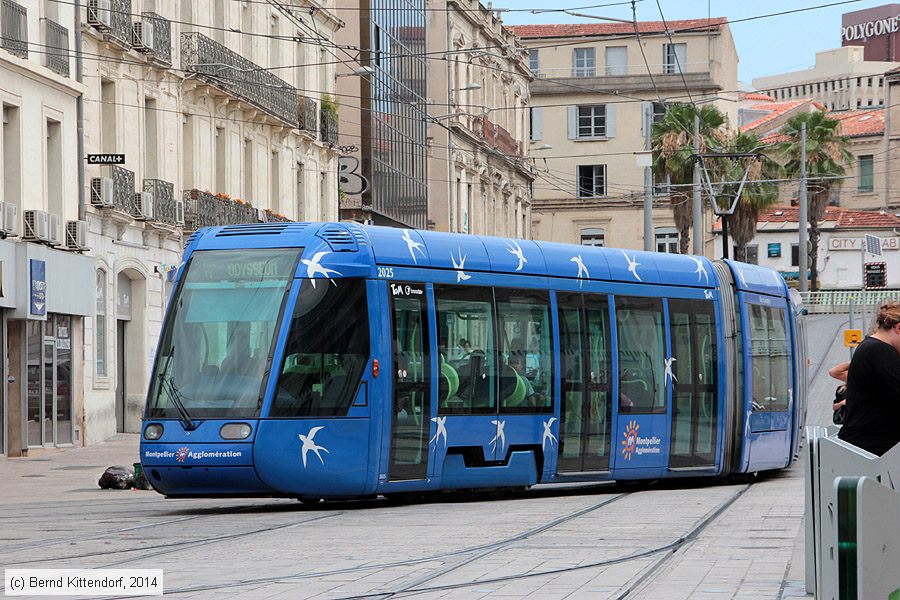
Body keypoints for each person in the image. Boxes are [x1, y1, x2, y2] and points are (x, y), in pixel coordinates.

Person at [837, 301, 900, 456]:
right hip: (874, 449)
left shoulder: (871, 347)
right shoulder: (880, 351)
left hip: (867, 446)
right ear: (898, 328)